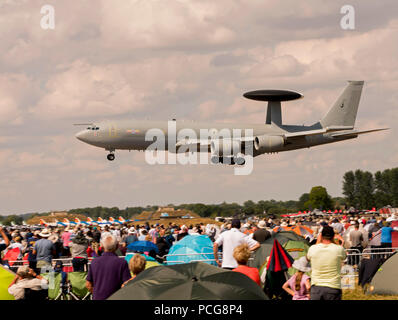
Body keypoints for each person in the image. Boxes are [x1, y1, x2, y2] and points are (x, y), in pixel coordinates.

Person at [306, 226, 347, 300]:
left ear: (321, 236)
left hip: (316, 286)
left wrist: (318, 241)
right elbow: (344, 256)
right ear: (333, 236)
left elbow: (307, 258)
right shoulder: (338, 249)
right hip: (333, 286)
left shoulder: (313, 249)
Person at [86, 235, 131, 300]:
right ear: (117, 246)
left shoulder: (94, 262)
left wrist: (96, 293)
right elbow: (126, 284)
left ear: (102, 247)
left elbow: (88, 284)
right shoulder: (122, 262)